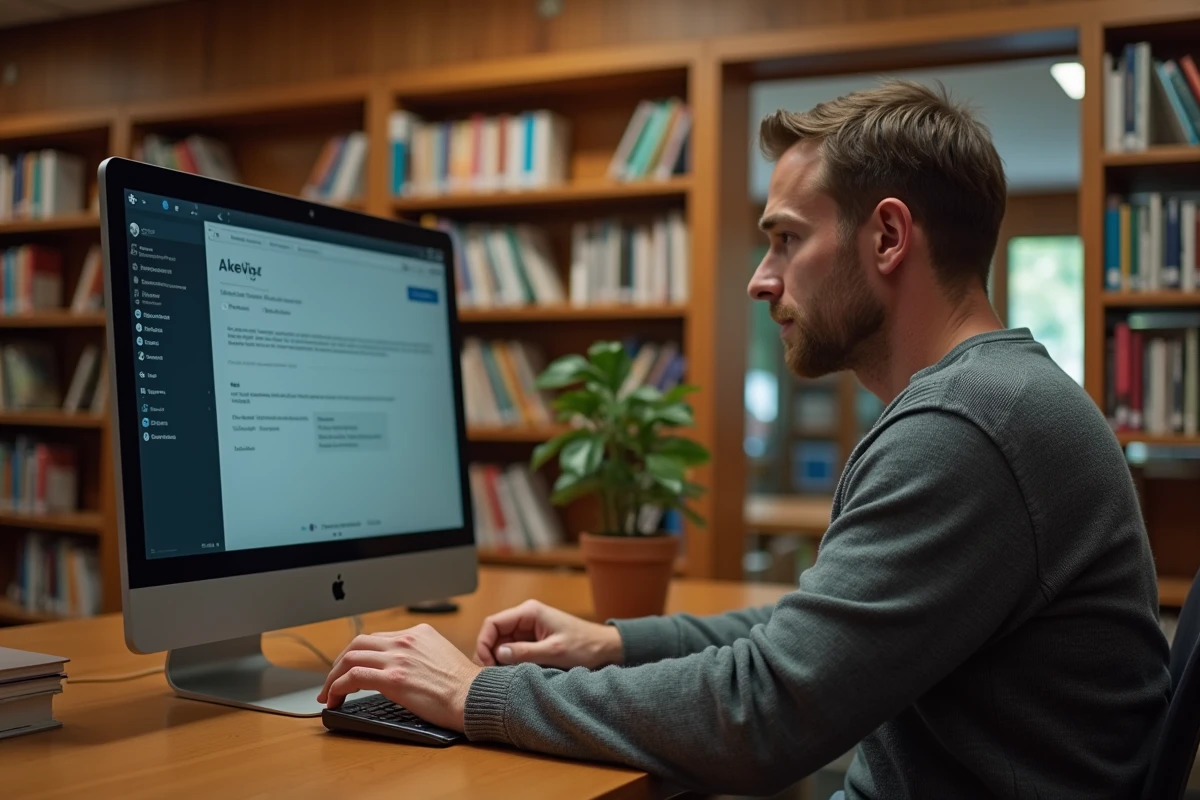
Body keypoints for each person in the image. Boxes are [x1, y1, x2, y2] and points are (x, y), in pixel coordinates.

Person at [317, 80, 1170, 799]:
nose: (762, 280)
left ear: (887, 237)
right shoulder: (996, 399)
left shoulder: (968, 426)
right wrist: (615, 643)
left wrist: (478, 695)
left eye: (787, 240)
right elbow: (818, 637)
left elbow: (764, 714)